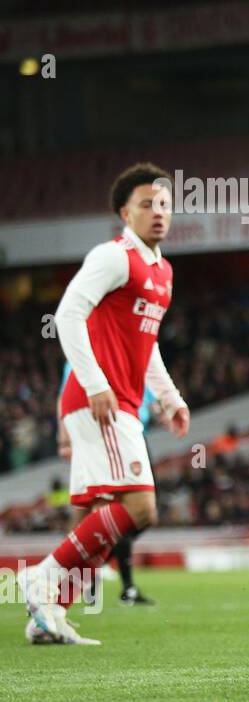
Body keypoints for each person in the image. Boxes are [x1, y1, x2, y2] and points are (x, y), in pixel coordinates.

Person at [20, 162, 189, 645]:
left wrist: (171, 397)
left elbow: (147, 342)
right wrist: (95, 383)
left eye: (163, 205)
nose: (158, 213)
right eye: (146, 205)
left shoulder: (163, 271)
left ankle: (47, 615)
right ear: (124, 213)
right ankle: (43, 579)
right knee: (140, 508)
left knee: (98, 514)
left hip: (120, 402)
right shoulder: (113, 256)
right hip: (101, 403)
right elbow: (67, 313)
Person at [61, 362, 157, 607]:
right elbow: (65, 396)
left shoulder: (131, 348)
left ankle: (89, 571)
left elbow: (146, 393)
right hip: (106, 431)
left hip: (134, 433)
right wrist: (64, 438)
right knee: (109, 511)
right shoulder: (85, 349)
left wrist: (166, 404)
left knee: (139, 514)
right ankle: (115, 585)